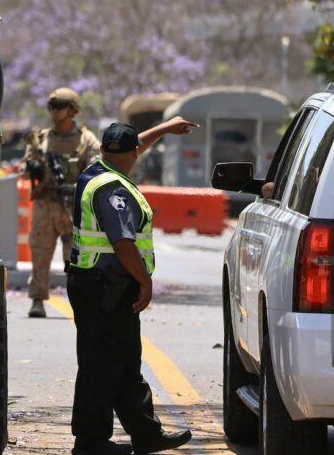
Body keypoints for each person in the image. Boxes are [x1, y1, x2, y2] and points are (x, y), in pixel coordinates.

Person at [66, 118, 199, 455]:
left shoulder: (98, 169)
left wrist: (165, 128)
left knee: (124, 362)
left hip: (103, 283)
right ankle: (90, 442)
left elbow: (132, 143)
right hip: (104, 286)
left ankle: (146, 434)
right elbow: (122, 242)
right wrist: (145, 281)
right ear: (133, 154)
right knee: (101, 364)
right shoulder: (113, 189)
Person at [21, 87, 101, 318]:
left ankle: (79, 302)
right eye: (52, 107)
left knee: (76, 259)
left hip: (74, 207)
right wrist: (32, 168)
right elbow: (24, 170)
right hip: (46, 204)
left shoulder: (87, 140)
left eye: (60, 107)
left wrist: (76, 188)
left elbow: (95, 170)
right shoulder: (41, 140)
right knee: (40, 254)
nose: (55, 111)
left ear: (73, 110)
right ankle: (37, 300)